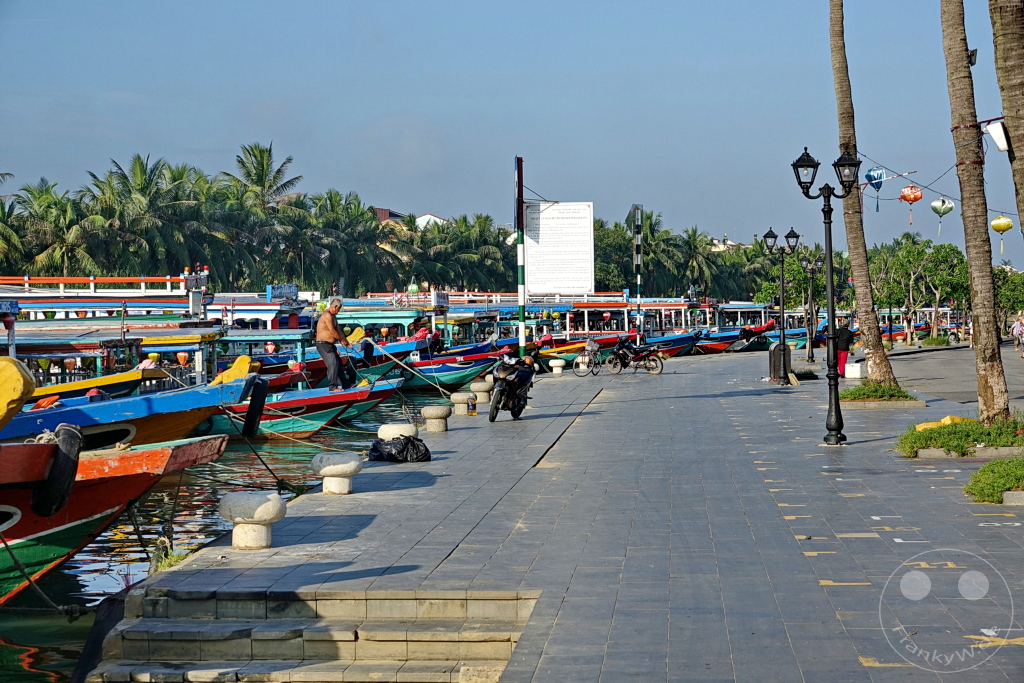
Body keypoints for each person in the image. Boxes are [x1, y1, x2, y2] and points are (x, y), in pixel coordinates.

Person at [316, 299, 356, 392]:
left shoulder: (333, 317)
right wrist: (341, 340)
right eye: (338, 309)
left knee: (338, 363)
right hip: (323, 344)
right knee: (333, 363)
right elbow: (332, 332)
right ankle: (332, 387)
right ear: (335, 306)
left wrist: (346, 342)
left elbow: (338, 331)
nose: (338, 311)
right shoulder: (327, 315)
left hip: (329, 344)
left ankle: (345, 384)